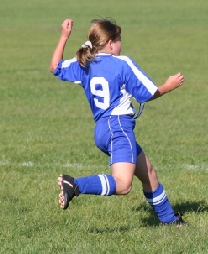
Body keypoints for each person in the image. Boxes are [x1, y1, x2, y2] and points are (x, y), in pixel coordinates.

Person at [49, 18, 187, 226]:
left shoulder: (85, 63)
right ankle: (75, 184)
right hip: (119, 128)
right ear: (111, 42)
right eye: (119, 39)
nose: (121, 44)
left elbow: (55, 67)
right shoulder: (122, 63)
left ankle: (169, 220)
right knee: (123, 185)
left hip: (103, 131)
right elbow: (147, 94)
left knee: (148, 172)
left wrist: (64, 37)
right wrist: (169, 85)